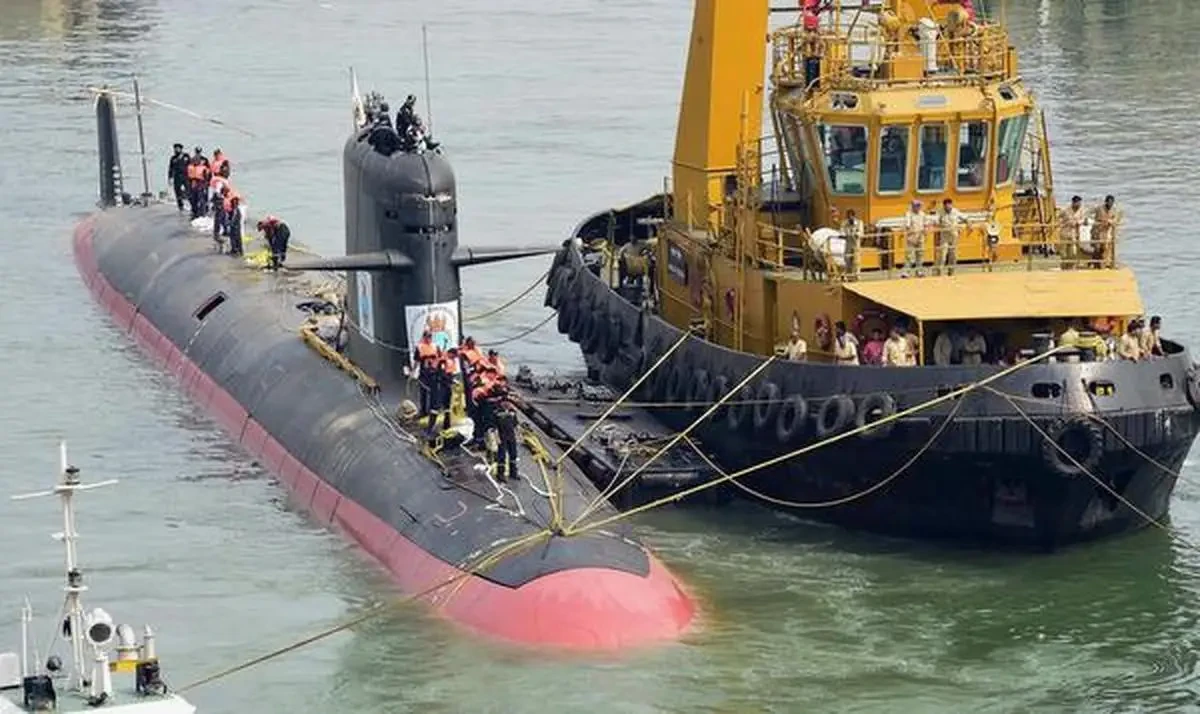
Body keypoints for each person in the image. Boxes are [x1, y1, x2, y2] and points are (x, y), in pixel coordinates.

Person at [493, 392, 520, 482]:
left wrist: (518, 434)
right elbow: (494, 427)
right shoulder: (497, 413)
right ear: (502, 403)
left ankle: (513, 472)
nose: (508, 404)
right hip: (502, 436)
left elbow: (515, 424)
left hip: (511, 436)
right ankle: (500, 474)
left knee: (513, 454)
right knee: (502, 455)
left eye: (509, 402)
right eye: (506, 402)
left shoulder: (513, 412)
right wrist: (497, 438)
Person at [413, 331, 439, 418]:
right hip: (424, 373)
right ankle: (423, 411)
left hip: (434, 372)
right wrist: (413, 371)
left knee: (433, 393)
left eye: (430, 337)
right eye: (427, 337)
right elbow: (416, 361)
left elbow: (439, 358)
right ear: (424, 337)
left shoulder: (435, 346)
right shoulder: (419, 347)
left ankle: (432, 410)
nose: (428, 339)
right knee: (423, 392)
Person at [1090, 195, 1120, 268]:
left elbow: (1116, 219)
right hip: (1097, 231)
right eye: (1109, 202)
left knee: (1104, 248)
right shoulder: (1099, 208)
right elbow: (1089, 213)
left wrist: (1111, 221)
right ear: (1106, 202)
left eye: (1112, 202)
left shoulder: (1114, 210)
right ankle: (1095, 264)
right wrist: (1091, 221)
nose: (1110, 204)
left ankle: (1102, 263)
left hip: (1106, 232)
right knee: (1097, 248)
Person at [936, 197, 963, 276]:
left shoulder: (955, 211)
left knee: (953, 255)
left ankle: (951, 272)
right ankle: (939, 272)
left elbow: (965, 217)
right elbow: (935, 220)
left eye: (949, 205)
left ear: (951, 205)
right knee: (942, 255)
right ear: (944, 206)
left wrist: (968, 222)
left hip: (954, 235)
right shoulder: (940, 212)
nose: (948, 207)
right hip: (944, 236)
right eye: (946, 205)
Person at [1059, 195, 1086, 268]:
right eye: (1078, 203)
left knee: (1073, 252)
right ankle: (1064, 267)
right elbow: (1058, 217)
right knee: (1063, 252)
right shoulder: (1066, 210)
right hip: (1065, 233)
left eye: (1080, 203)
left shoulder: (1081, 210)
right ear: (1073, 203)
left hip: (1074, 233)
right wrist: (1064, 223)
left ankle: (1071, 267)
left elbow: (1083, 219)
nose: (1079, 205)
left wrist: (1078, 222)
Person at [902, 200, 927, 277]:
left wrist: (925, 230)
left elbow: (925, 224)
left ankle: (919, 271)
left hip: (920, 236)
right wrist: (910, 230)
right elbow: (907, 225)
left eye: (919, 205)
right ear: (912, 206)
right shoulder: (909, 214)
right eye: (916, 205)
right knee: (909, 255)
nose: (918, 207)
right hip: (912, 237)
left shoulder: (922, 214)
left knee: (920, 254)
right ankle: (906, 272)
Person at [840, 209, 863, 279]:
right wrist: (844, 235)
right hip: (848, 242)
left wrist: (857, 234)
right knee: (847, 258)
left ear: (854, 216)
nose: (850, 218)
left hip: (856, 242)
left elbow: (861, 233)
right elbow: (842, 231)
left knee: (856, 259)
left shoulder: (859, 223)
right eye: (848, 216)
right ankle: (847, 275)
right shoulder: (844, 223)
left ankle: (857, 275)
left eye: (851, 216)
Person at [167, 143, 190, 212]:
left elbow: (190, 166)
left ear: (181, 149)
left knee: (189, 190)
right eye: (175, 149)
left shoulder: (186, 156)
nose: (176, 150)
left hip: (186, 176)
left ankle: (192, 204)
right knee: (177, 192)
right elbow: (171, 168)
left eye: (178, 148)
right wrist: (170, 178)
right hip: (177, 176)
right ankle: (180, 206)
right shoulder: (173, 158)